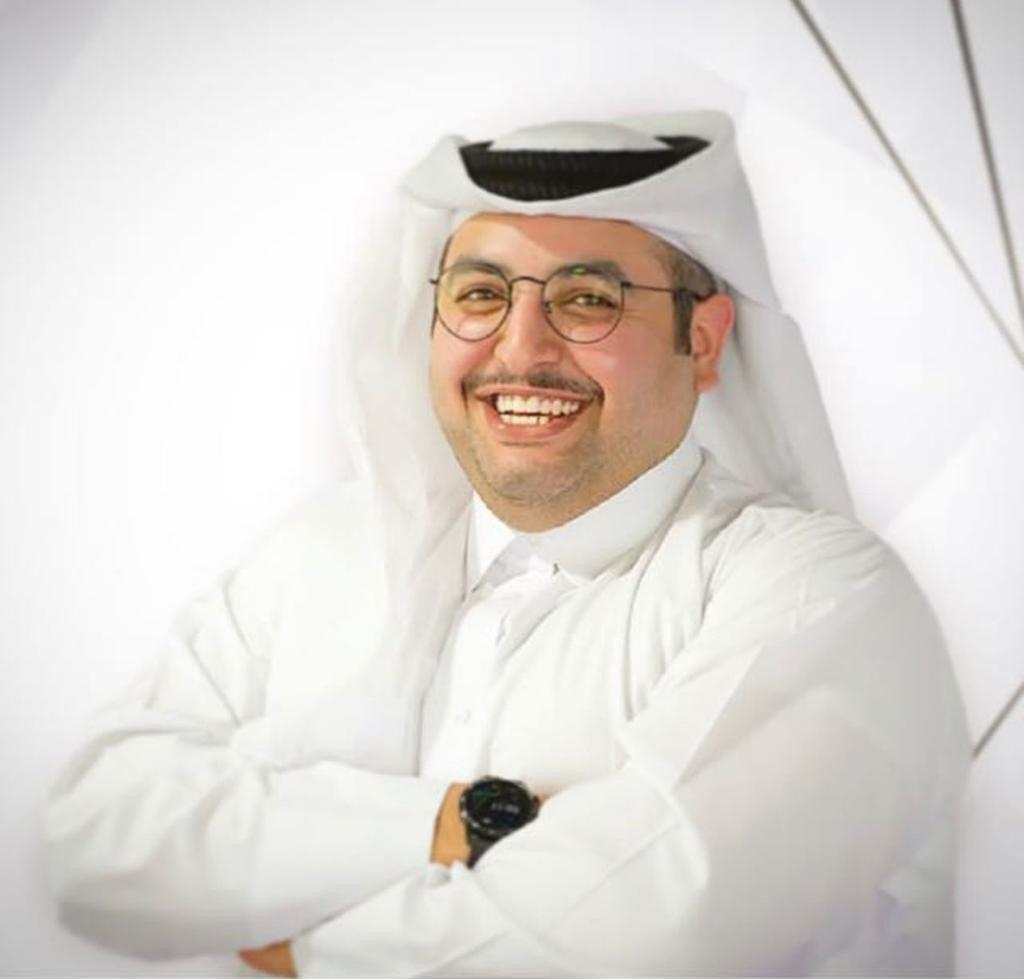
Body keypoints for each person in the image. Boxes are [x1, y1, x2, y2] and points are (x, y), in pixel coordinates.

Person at [43, 112, 970, 977]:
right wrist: (454, 823)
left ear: (702, 339)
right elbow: (96, 840)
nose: (521, 349)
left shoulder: (821, 592)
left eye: (588, 299)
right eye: (481, 294)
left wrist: (304, 948)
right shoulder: (322, 552)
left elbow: (645, 920)